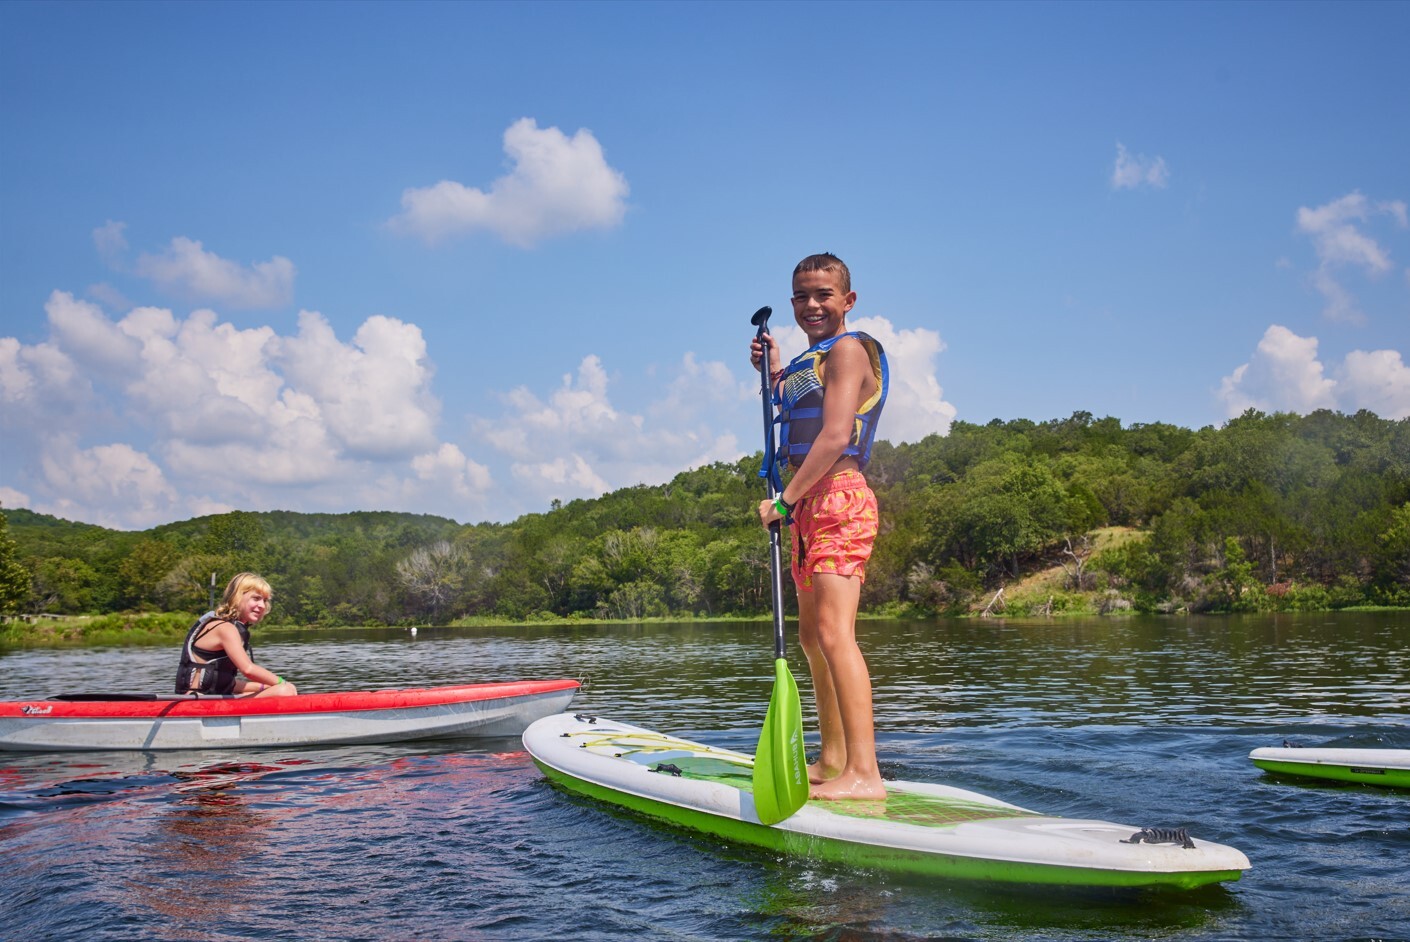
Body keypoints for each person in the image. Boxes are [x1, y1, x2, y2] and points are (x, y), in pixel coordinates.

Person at [751, 252, 889, 801]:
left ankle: (865, 774)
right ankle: (833, 759)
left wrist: (783, 502)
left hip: (838, 500)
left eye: (823, 295)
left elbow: (833, 436)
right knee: (812, 637)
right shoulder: (811, 360)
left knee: (835, 635)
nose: (811, 304)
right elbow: (795, 404)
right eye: (801, 296)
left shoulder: (850, 350)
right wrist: (773, 368)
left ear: (847, 301)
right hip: (809, 506)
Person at [174, 572, 298, 698]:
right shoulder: (225, 628)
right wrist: (283, 683)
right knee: (285, 691)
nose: (262, 605)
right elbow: (248, 669)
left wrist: (263, 687)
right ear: (237, 597)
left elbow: (225, 683)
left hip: (212, 698)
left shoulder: (231, 627)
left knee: (275, 688)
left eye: (265, 600)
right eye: (256, 598)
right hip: (197, 702)